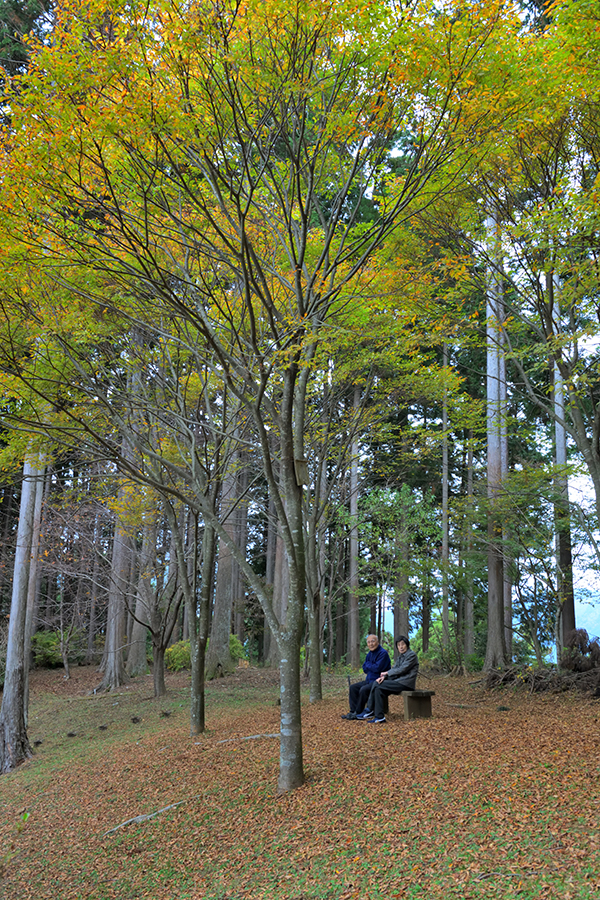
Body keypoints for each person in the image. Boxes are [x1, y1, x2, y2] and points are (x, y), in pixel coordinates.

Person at [357, 635, 419, 724]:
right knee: (378, 687)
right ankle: (379, 716)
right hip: (397, 682)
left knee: (377, 685)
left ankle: (369, 709)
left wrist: (386, 673)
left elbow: (402, 669)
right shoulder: (401, 657)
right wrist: (383, 677)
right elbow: (394, 669)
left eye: (403, 644)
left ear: (407, 645)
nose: (401, 647)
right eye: (398, 645)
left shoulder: (411, 655)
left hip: (406, 683)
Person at [341, 634, 391, 720]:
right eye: (368, 642)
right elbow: (364, 668)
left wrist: (369, 666)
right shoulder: (369, 654)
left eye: (373, 641)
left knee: (364, 689)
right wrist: (371, 666)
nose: (371, 644)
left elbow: (377, 668)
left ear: (378, 642)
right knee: (353, 687)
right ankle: (353, 711)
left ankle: (358, 712)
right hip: (369, 680)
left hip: (379, 681)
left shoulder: (383, 653)